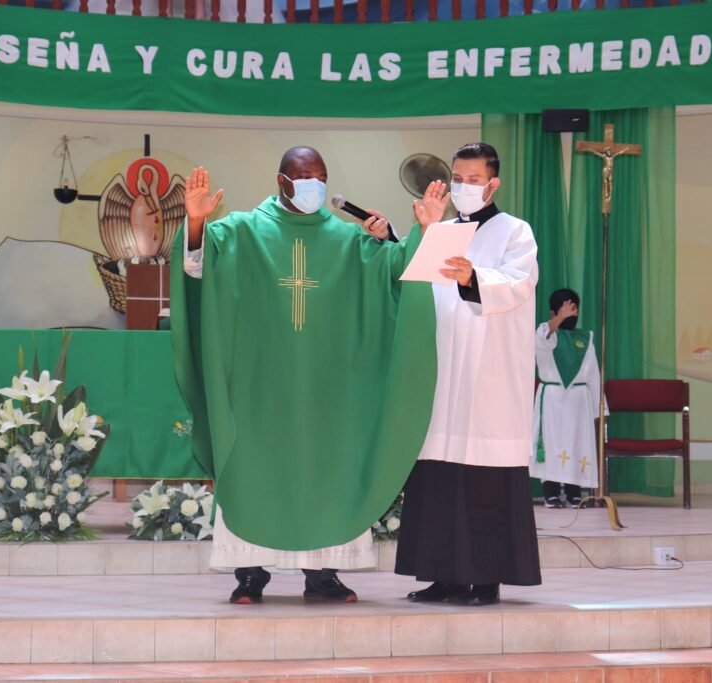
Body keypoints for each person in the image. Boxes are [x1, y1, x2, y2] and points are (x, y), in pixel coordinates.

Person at [170, 146, 436, 604]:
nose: (315, 185)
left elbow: (397, 271)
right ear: (282, 181)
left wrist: (417, 232)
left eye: (321, 176)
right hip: (259, 384)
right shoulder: (242, 232)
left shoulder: (350, 242)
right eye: (305, 176)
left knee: (331, 466)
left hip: (328, 385)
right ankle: (249, 574)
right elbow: (197, 267)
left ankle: (323, 575)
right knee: (253, 467)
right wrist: (195, 223)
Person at [395, 142, 542, 606]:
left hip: (488, 376)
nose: (464, 187)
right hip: (443, 370)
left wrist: (471, 276)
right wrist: (410, 236)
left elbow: (517, 284)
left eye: (474, 180)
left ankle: (486, 578)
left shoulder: (515, 232)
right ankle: (443, 575)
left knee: (483, 478)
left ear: (493, 182)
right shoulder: (442, 232)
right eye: (458, 179)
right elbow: (416, 286)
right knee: (439, 472)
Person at [529, 288, 601, 509]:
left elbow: (593, 374)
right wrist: (559, 319)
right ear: (553, 312)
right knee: (552, 443)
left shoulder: (585, 338)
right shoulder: (546, 333)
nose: (572, 313)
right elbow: (543, 339)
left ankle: (574, 492)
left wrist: (599, 408)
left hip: (579, 401)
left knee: (577, 443)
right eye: (565, 309)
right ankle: (550, 492)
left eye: (574, 309)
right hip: (552, 399)